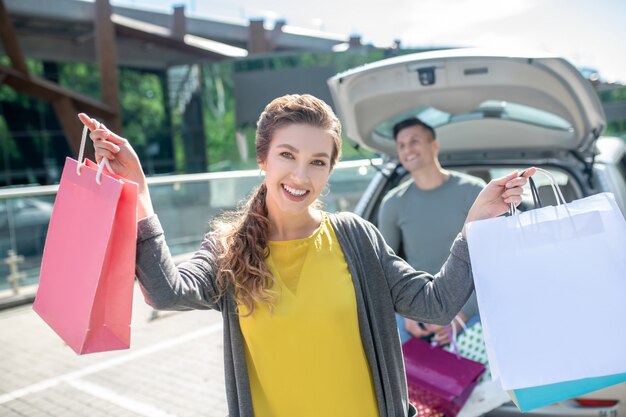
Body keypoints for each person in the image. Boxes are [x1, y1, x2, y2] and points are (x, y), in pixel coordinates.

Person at [78, 94, 533, 417]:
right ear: (263, 159)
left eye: (317, 161)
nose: (301, 174)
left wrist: (474, 226)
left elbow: (436, 303)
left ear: (330, 169)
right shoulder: (228, 249)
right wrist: (139, 197)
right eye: (287, 155)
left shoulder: (355, 238)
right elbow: (164, 291)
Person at [378, 117, 485, 346]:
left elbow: (495, 261)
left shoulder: (474, 191)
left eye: (414, 141)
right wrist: (407, 312)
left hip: (473, 302)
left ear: (434, 144)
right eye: (402, 145)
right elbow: (383, 268)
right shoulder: (393, 203)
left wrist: (462, 314)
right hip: (420, 306)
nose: (408, 150)